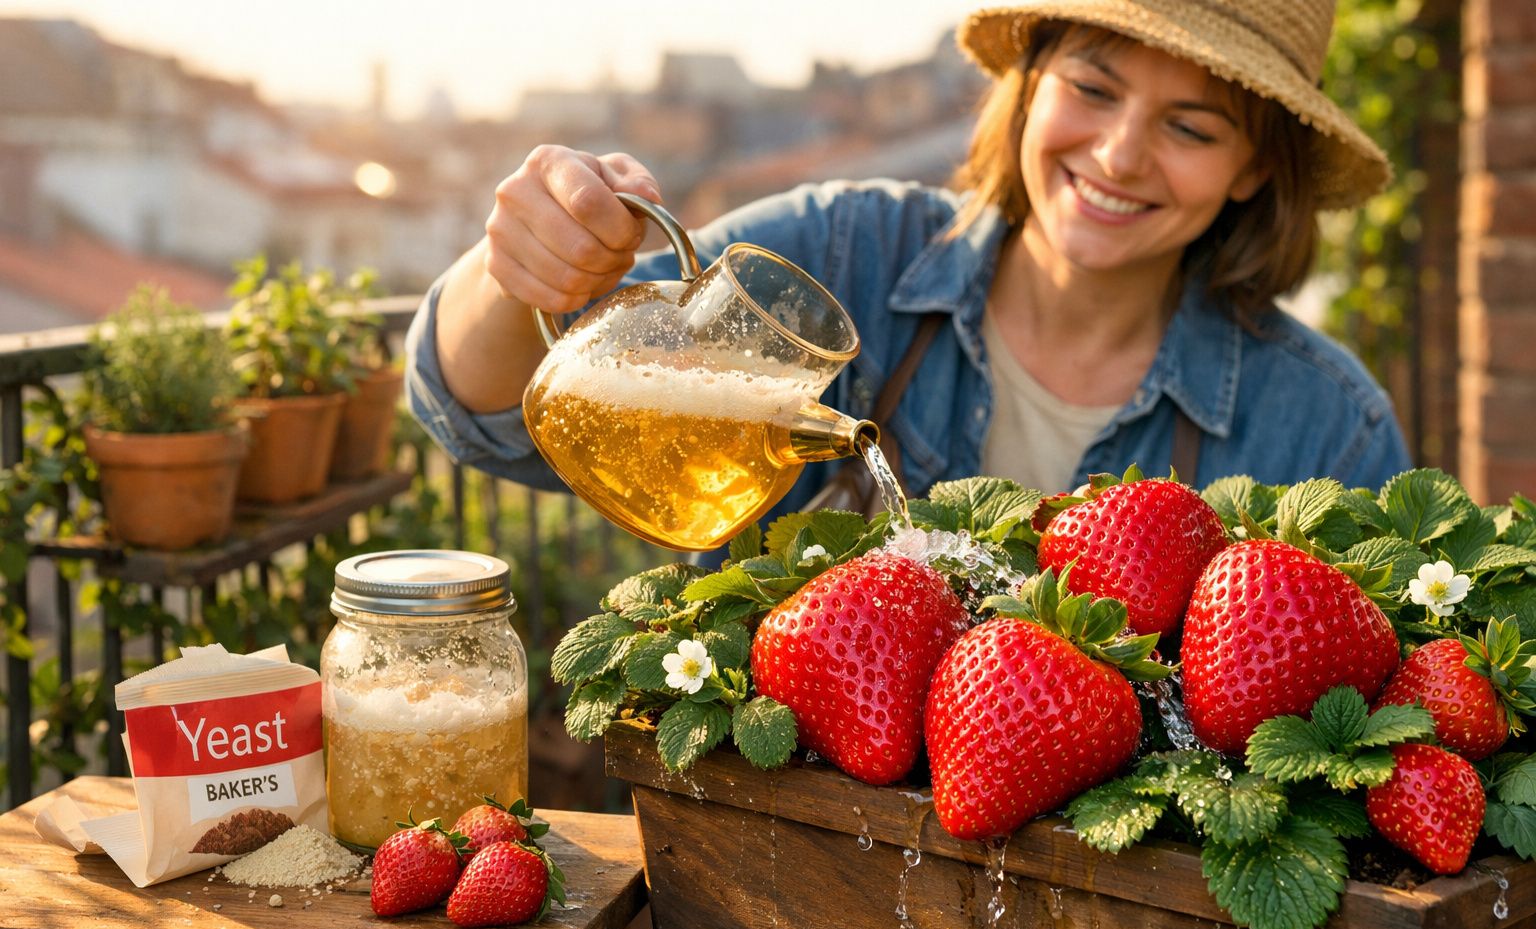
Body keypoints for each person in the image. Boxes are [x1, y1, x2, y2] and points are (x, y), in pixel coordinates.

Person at [405, 0, 1412, 548]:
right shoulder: (843, 254)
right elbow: (483, 420)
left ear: (1252, 170)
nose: (1118, 156)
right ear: (1029, 87)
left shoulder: (1324, 431)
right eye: (1093, 89)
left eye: (1190, 128)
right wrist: (520, 269)